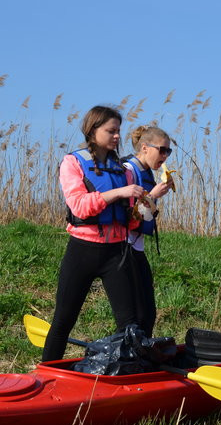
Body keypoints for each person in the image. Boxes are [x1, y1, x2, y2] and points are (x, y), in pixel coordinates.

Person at [42, 105, 145, 361]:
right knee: (63, 321)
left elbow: (131, 223)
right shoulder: (72, 163)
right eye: (111, 131)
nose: (117, 137)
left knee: (129, 326)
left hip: (117, 254)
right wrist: (119, 193)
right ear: (93, 130)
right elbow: (79, 206)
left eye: (118, 131)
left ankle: (130, 376)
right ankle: (46, 374)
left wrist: (144, 210)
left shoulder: (125, 171)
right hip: (82, 251)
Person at [121, 125, 173, 336]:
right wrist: (153, 195)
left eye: (168, 151)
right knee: (138, 314)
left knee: (148, 313)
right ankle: (131, 356)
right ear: (144, 147)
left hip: (138, 247)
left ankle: (141, 355)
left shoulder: (146, 172)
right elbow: (128, 216)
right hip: (125, 247)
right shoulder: (129, 170)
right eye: (162, 150)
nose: (165, 155)